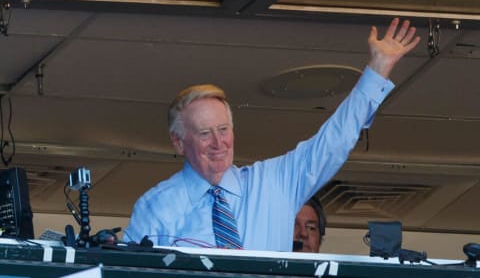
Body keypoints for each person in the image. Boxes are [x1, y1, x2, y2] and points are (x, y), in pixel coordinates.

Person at [123, 18, 421, 251]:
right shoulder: (157, 206)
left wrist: (377, 70)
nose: (218, 143)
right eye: (204, 134)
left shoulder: (274, 183)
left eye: (224, 130)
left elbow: (333, 143)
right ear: (178, 141)